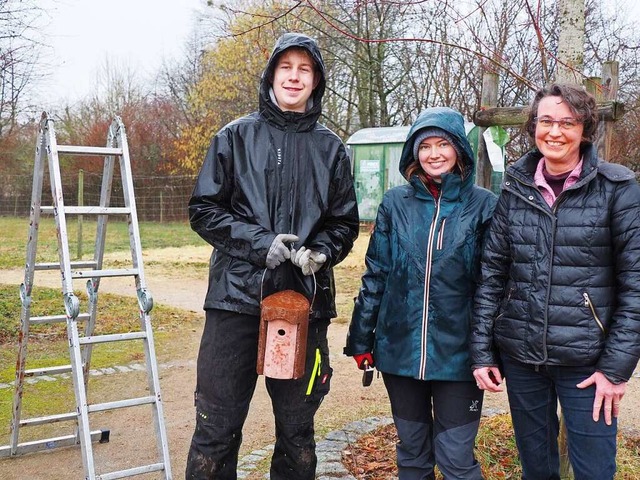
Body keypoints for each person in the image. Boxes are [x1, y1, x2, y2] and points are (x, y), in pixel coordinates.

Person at [185, 32, 359, 479]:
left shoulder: (332, 149)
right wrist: (261, 244)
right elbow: (203, 210)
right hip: (235, 302)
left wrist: (322, 250)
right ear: (271, 75)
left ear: (316, 80)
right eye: (287, 67)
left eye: (305, 69)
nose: (295, 77)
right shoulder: (234, 137)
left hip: (304, 303)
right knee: (216, 429)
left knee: (297, 433)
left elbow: (344, 223)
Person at [471, 83, 640, 479]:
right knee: (537, 469)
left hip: (589, 361)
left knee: (595, 471)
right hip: (523, 356)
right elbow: (492, 274)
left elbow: (636, 285)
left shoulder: (617, 188)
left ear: (585, 130)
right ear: (533, 127)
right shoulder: (516, 185)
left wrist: (616, 369)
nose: (556, 131)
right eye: (546, 120)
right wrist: (482, 351)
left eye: (568, 122)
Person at [345, 106, 497, 480]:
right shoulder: (395, 204)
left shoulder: (484, 205)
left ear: (458, 148)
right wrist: (361, 338)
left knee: (456, 459)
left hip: (459, 357)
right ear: (413, 152)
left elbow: (493, 285)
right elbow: (376, 273)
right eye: (424, 145)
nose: (433, 153)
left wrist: (489, 351)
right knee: (412, 456)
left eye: (442, 143)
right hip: (400, 350)